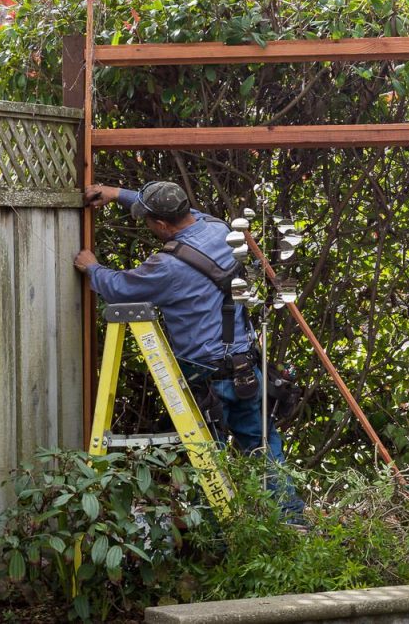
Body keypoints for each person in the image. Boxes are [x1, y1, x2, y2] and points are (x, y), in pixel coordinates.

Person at [73, 180, 305, 519]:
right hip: (245, 367)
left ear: (162, 225)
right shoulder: (218, 229)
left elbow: (120, 289)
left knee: (207, 461)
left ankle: (221, 539)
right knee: (263, 448)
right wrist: (115, 193)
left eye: (148, 221)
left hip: (206, 375)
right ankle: (291, 521)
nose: (148, 226)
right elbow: (186, 214)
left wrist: (91, 266)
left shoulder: (166, 266)